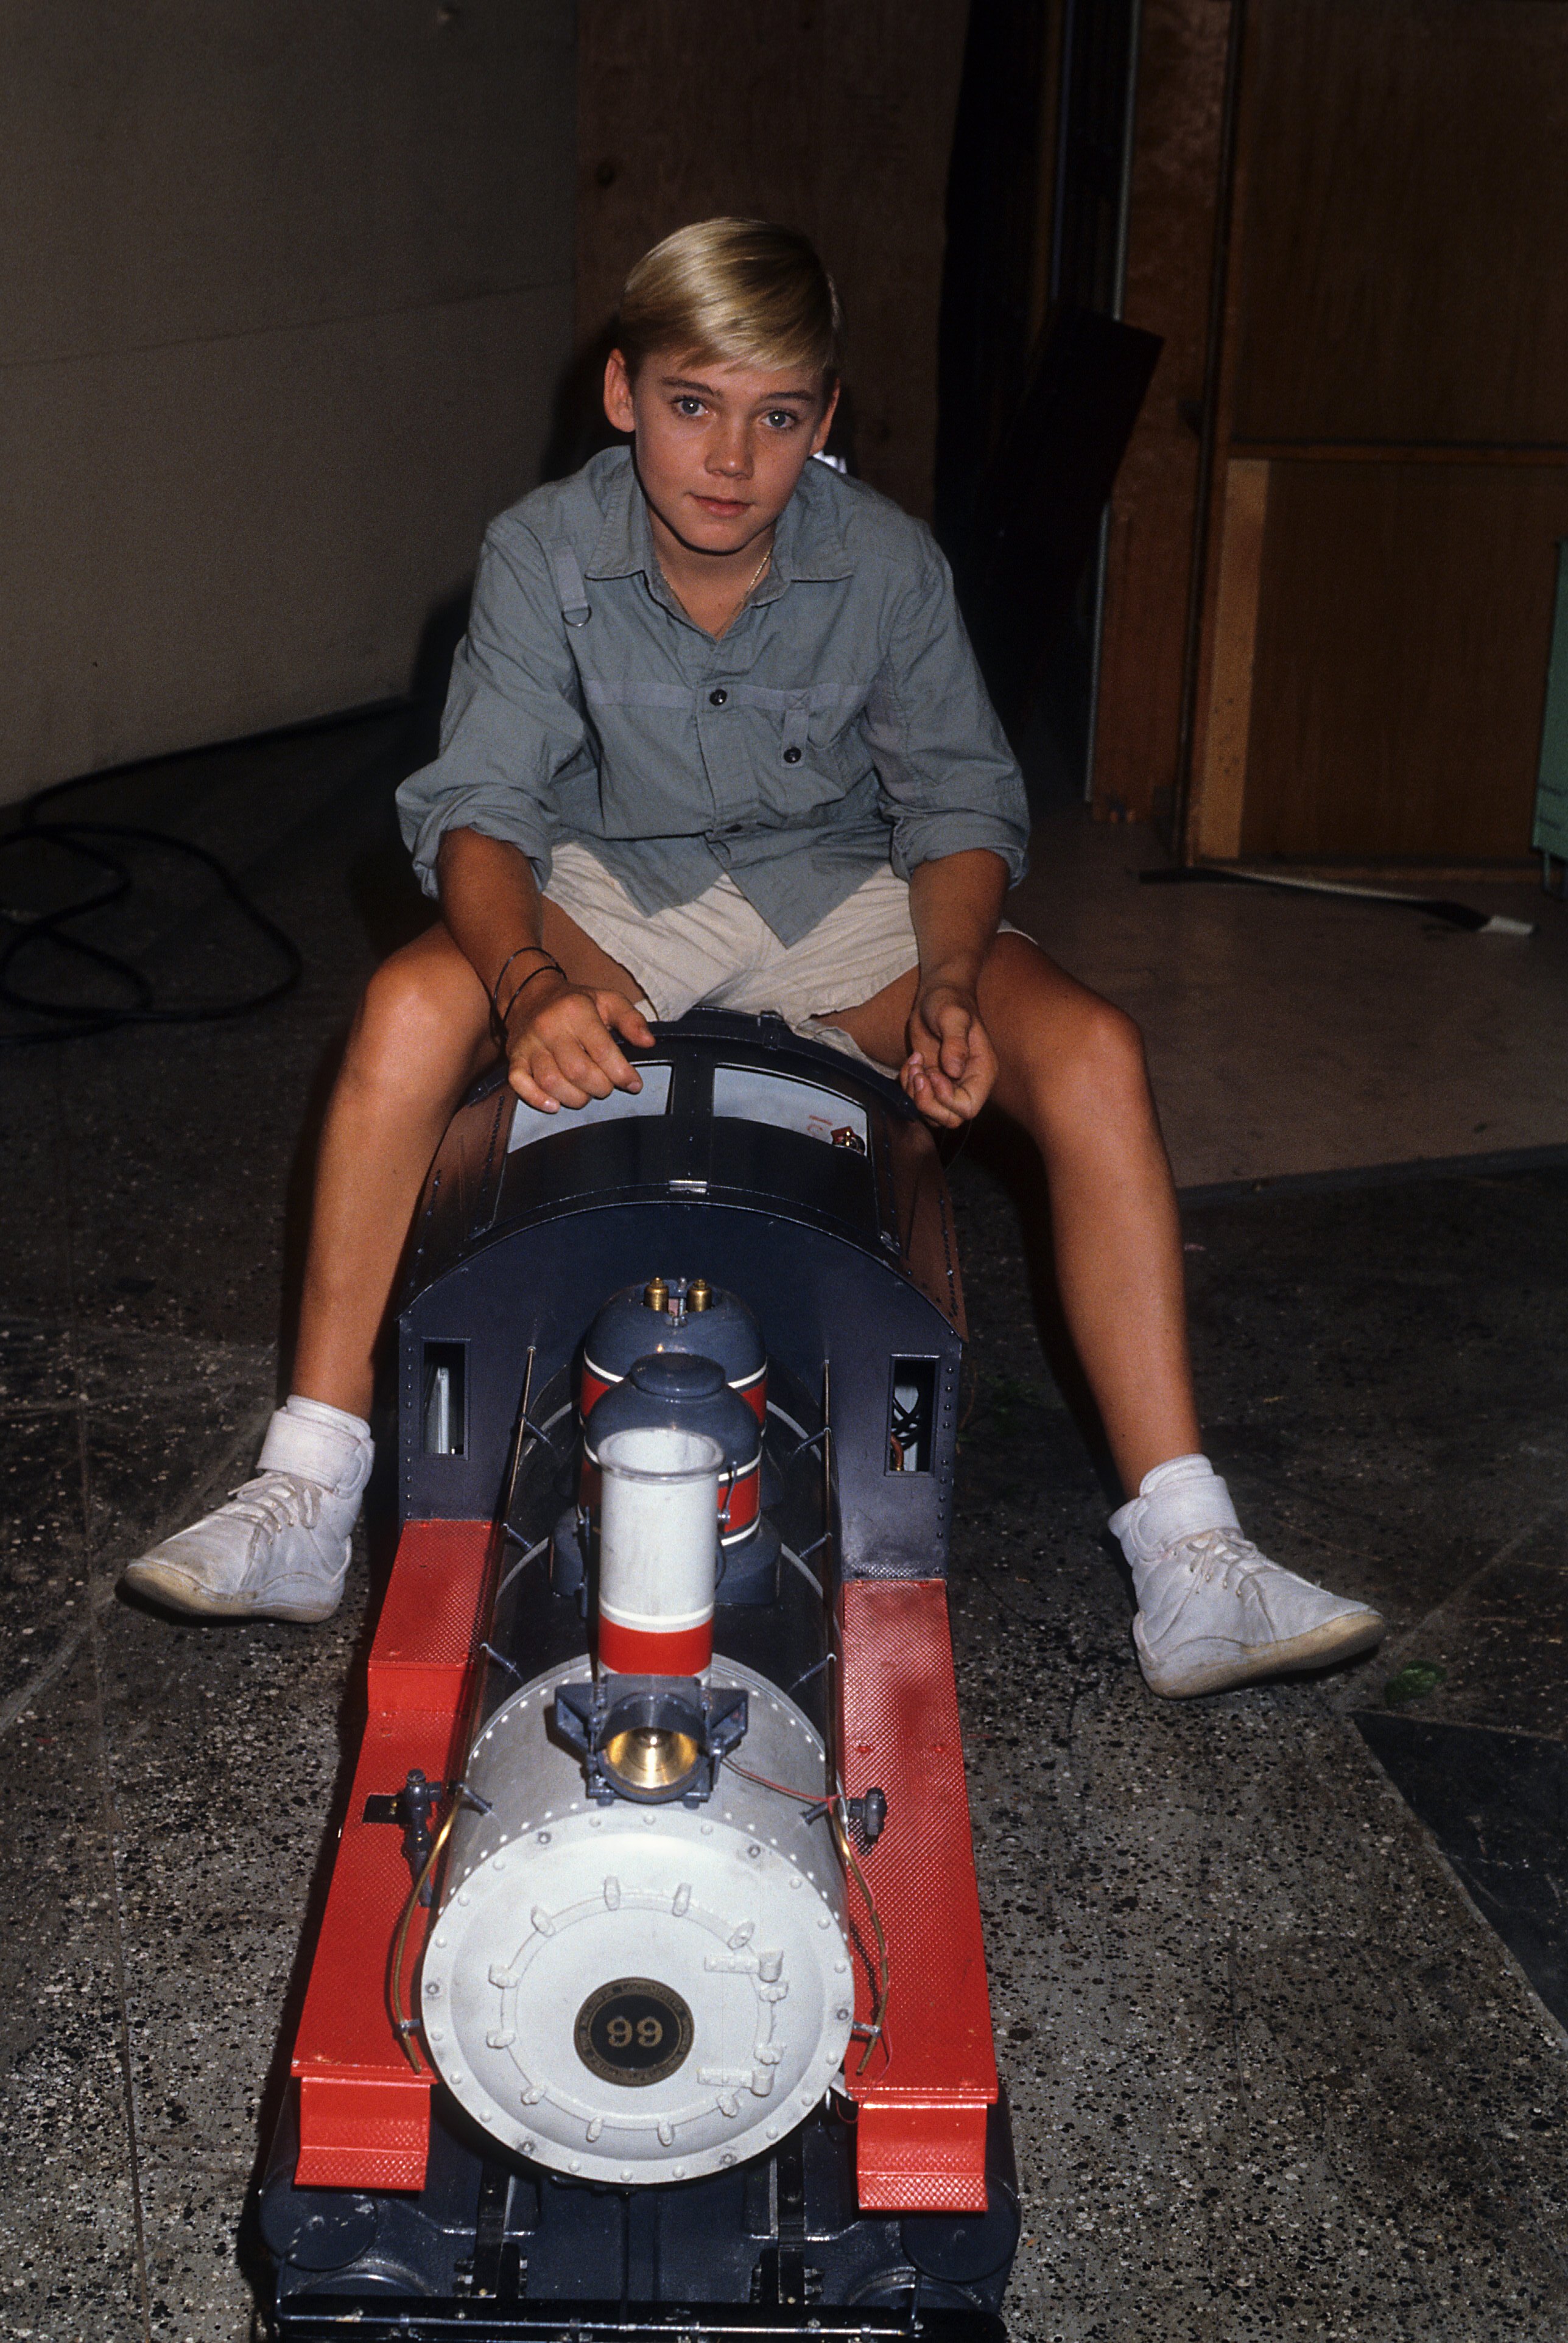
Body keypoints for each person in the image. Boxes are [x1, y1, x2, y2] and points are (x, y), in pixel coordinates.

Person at [124, 218, 1384, 1700]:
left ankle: (1188, 1551)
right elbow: (478, 810)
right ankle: (310, 1492)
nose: (730, 460)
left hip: (834, 897)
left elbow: (962, 803)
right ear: (621, 395)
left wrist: (959, 977)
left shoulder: (889, 565)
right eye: (692, 406)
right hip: (608, 893)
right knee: (408, 1006)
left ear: (825, 422)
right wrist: (529, 983)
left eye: (777, 418)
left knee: (1095, 1050)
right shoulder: (541, 553)